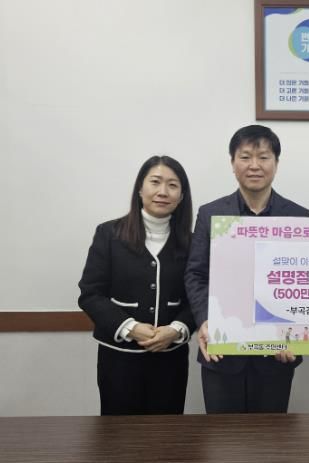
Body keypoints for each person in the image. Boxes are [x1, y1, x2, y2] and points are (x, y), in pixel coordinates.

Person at [185, 124, 309, 413]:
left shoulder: (299, 216)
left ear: (276, 163)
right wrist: (205, 320)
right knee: (222, 435)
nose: (254, 165)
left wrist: (294, 334)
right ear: (233, 163)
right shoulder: (211, 213)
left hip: (277, 354)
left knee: (269, 435)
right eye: (245, 157)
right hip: (222, 351)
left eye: (263, 157)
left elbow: (305, 284)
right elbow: (196, 274)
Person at [78, 155, 195, 415]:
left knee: (167, 433)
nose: (163, 191)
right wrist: (130, 328)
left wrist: (176, 329)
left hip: (171, 360)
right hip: (118, 360)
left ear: (181, 196)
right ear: (140, 189)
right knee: (119, 433)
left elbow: (199, 297)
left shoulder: (192, 242)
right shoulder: (109, 234)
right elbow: (90, 294)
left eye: (172, 185)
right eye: (155, 182)